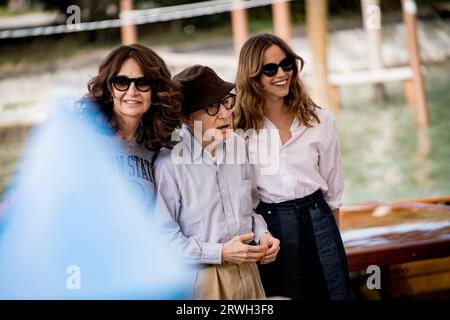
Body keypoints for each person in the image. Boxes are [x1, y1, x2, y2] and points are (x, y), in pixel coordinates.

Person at [234, 33, 350, 300]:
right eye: (270, 69)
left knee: (335, 294)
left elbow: (334, 193)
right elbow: (245, 200)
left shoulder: (320, 120)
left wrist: (334, 240)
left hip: (319, 217)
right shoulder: (239, 131)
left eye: (287, 64)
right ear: (252, 76)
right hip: (271, 228)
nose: (282, 73)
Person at [153, 65, 280, 300]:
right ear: (187, 119)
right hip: (204, 282)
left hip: (250, 274)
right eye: (211, 107)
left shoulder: (238, 146)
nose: (224, 113)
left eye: (226, 102)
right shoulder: (168, 165)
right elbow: (165, 242)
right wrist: (221, 253)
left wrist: (263, 235)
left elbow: (250, 209)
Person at [77, 44, 183, 208]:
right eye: (122, 82)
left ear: (155, 91)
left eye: (143, 83)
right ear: (109, 88)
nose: (132, 91)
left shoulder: (157, 145)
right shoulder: (85, 138)